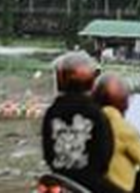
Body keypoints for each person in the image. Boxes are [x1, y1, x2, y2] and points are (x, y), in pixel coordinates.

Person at [41, 51, 117, 193]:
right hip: (90, 183)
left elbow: (47, 152)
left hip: (58, 178)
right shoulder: (96, 112)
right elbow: (105, 154)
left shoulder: (52, 111)